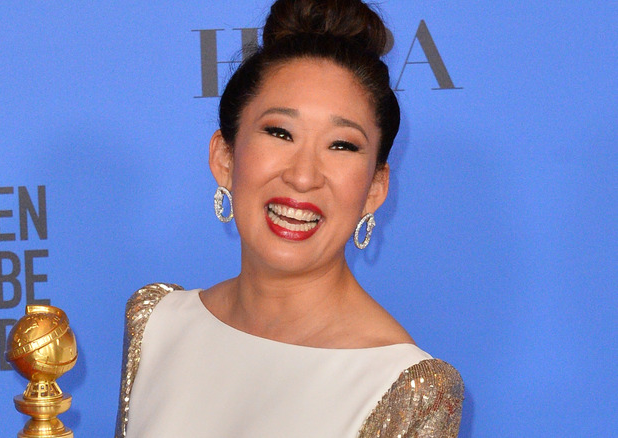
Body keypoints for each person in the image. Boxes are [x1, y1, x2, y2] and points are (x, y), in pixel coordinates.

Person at [115, 0, 464, 436]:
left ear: (375, 188)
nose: (302, 177)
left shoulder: (404, 387)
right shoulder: (157, 323)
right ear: (224, 157)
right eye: (280, 133)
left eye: (342, 145)